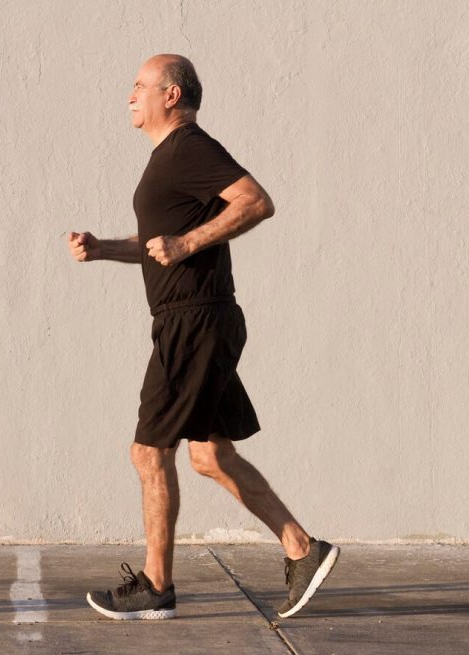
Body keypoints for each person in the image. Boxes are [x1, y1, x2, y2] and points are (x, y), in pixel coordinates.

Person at [68, 55, 338, 621]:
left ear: (171, 95)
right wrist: (104, 248)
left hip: (195, 320)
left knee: (148, 451)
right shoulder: (169, 159)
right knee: (211, 454)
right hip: (196, 318)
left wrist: (189, 245)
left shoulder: (189, 146)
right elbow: (155, 242)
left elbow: (257, 202)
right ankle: (302, 550)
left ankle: (156, 586)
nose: (129, 94)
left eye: (140, 85)